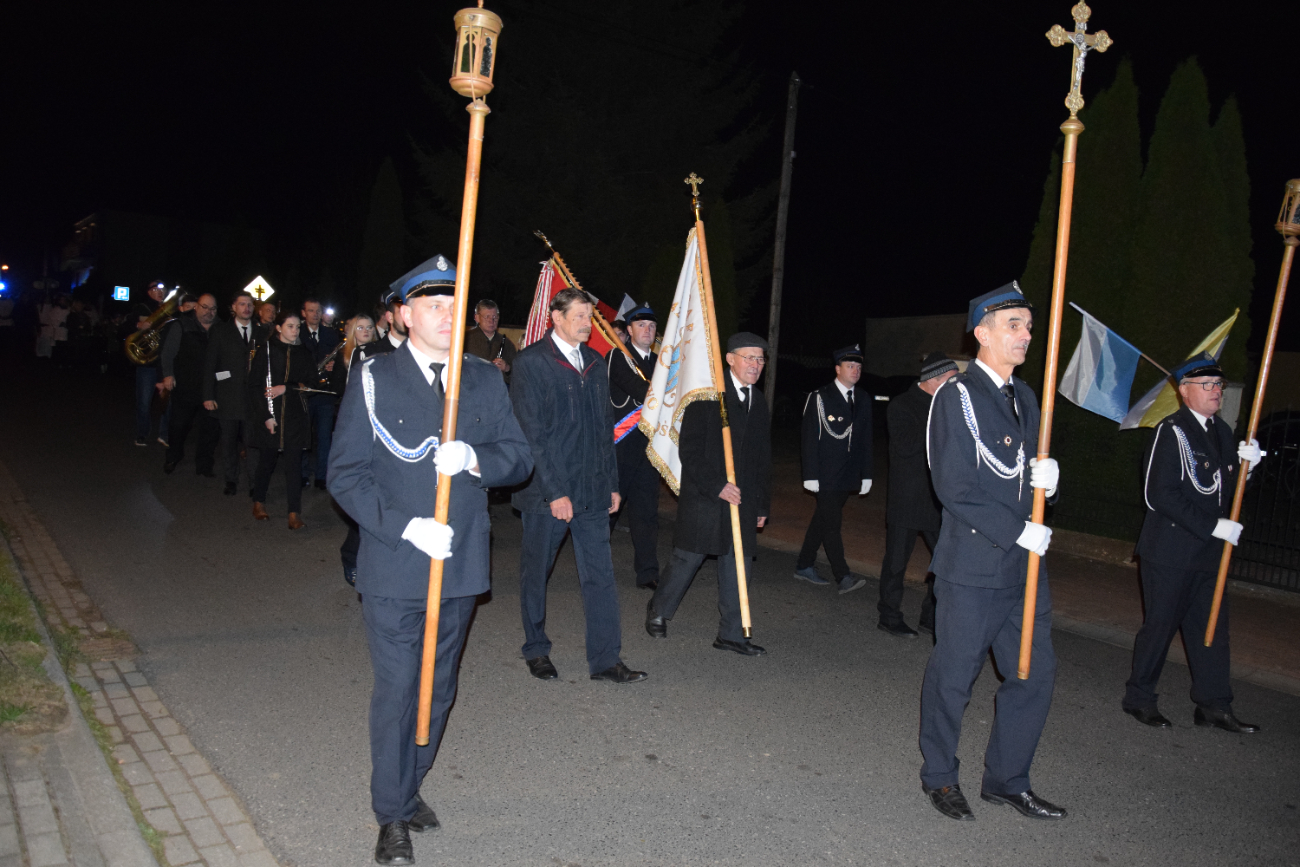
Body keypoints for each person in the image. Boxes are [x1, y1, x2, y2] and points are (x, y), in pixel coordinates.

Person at [329, 254, 532, 865]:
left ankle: (408, 783)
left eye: (454, 306)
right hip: (395, 565)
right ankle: (390, 813)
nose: (448, 316)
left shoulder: (484, 377)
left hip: (461, 565)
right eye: (433, 306)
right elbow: (345, 474)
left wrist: (473, 458)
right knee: (398, 689)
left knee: (438, 689)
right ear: (404, 313)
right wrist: (406, 527)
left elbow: (519, 458)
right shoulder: (373, 377)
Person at [919, 282, 1064, 822]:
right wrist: (1016, 529)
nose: (1026, 335)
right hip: (975, 566)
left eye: (1029, 326)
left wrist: (1048, 484)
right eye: (1014, 325)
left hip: (1025, 569)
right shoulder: (955, 397)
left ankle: (1007, 779)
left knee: (1032, 674)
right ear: (981, 333)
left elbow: (1023, 473)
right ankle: (939, 776)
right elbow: (953, 487)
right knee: (954, 676)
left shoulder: (1025, 397)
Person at [511, 287, 647, 684]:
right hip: (546, 493)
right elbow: (532, 435)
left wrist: (612, 484)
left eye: (591, 317)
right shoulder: (531, 363)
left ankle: (606, 660)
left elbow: (605, 430)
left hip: (591, 489)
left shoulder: (594, 361)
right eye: (581, 317)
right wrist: (555, 492)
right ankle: (536, 649)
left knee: (600, 575)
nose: (589, 325)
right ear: (556, 316)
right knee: (536, 571)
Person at [1122, 352, 1262, 733]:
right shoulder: (1172, 431)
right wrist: (1213, 526)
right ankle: (1139, 698)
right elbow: (1158, 494)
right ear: (1185, 392)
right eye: (1208, 385)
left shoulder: (1222, 431)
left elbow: (1222, 491)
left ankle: (1214, 704)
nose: (1217, 391)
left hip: (1208, 554)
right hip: (1170, 551)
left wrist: (1247, 470)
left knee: (1212, 628)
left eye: (1218, 384)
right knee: (1161, 626)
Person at [645, 332, 772, 657]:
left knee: (737, 564)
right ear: (730, 359)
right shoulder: (707, 396)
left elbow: (762, 458)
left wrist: (761, 503)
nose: (755, 365)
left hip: (741, 499)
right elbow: (690, 451)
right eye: (749, 358)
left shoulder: (758, 401)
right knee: (689, 559)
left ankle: (731, 634)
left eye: (760, 359)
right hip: (706, 496)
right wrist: (718, 486)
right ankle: (659, 609)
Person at [878, 351, 958, 638]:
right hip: (907, 499)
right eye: (951, 380)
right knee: (896, 562)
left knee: (944, 562)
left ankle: (930, 615)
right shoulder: (902, 405)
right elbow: (905, 446)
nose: (956, 386)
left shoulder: (948, 405)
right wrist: (939, 419)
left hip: (938, 501)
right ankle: (888, 615)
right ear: (934, 381)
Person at [794, 344, 874, 595]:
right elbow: (808, 438)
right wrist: (810, 475)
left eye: (859, 367)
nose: (856, 371)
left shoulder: (862, 398)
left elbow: (866, 440)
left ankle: (804, 565)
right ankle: (843, 576)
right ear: (837, 369)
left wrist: (867, 473)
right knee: (831, 524)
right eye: (850, 366)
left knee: (822, 519)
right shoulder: (820, 397)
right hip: (825, 475)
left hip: (848, 474)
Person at [606, 304, 662, 591]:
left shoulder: (661, 362)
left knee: (646, 511)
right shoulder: (618, 357)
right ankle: (597, 564)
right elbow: (643, 392)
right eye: (641, 326)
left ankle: (648, 571)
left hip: (649, 448)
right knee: (611, 510)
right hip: (622, 446)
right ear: (628, 331)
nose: (647, 331)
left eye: (651, 327)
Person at [248, 311, 313, 529]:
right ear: (278, 328)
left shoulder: (303, 352)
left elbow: (312, 383)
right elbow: (255, 386)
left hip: (295, 416)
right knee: (267, 461)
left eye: (297, 327)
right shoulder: (266, 351)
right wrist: (265, 416)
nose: (295, 331)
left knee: (294, 466)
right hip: (271, 414)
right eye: (290, 326)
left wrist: (288, 388)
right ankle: (259, 501)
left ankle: (294, 513)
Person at [203, 291, 258, 496]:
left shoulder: (261, 332)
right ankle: (231, 480)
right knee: (228, 442)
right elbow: (210, 364)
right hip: (227, 397)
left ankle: (254, 483)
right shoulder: (220, 331)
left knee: (252, 443)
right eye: (242, 304)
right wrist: (208, 395)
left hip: (252, 400)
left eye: (250, 304)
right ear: (233, 307)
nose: (247, 308)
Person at [160, 294, 220, 477]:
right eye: (205, 307)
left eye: (213, 308)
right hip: (185, 386)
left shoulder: (221, 328)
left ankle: (204, 465)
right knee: (178, 426)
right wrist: (168, 374)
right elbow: (168, 352)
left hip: (211, 389)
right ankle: (173, 456)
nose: (209, 312)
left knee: (210, 429)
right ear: (196, 307)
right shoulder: (181, 325)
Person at [299, 297, 342, 489]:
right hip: (304, 392)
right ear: (303, 313)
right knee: (303, 436)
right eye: (311, 311)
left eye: (318, 311)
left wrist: (334, 365)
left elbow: (339, 359)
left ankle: (321, 476)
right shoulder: (297, 332)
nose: (315, 314)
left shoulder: (331, 334)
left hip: (324, 392)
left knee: (325, 437)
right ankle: (302, 474)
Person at [132, 281, 169, 446]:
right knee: (144, 403)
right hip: (147, 364)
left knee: (167, 402)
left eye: (162, 289)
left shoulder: (170, 309)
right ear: (148, 292)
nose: (159, 292)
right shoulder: (141, 308)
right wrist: (138, 325)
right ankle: (142, 433)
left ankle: (164, 434)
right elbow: (124, 327)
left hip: (164, 362)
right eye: (155, 289)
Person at [464, 299, 516, 385]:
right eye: (486, 316)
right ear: (476, 318)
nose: (491, 321)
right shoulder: (465, 340)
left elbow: (518, 377)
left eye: (494, 317)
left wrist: (507, 369)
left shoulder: (507, 343)